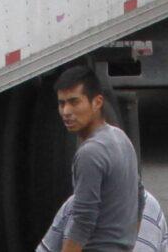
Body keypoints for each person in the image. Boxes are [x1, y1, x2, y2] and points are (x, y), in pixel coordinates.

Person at [43, 64, 140, 252]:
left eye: (74, 102)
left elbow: (83, 220)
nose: (66, 112)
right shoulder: (121, 138)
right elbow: (139, 196)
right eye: (62, 103)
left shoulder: (90, 153)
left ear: (97, 102)